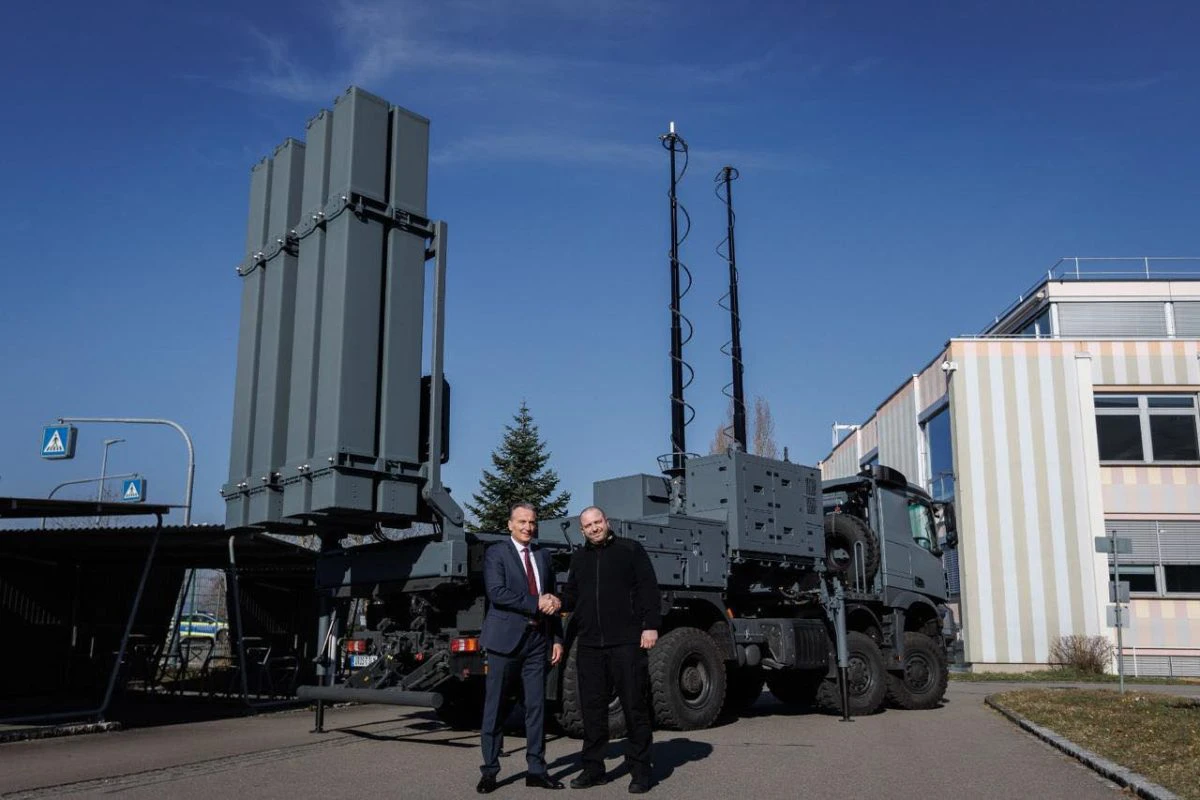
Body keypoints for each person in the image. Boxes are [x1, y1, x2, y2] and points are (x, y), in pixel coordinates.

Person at [560, 506, 660, 794]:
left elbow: (648, 589)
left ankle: (640, 771)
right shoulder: (579, 558)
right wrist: (557, 602)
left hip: (626, 643)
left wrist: (650, 626)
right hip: (590, 644)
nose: (594, 528)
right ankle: (593, 769)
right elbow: (572, 595)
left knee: (634, 706)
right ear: (582, 530)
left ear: (607, 521)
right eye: (588, 525)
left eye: (598, 522)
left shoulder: (630, 550)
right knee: (592, 710)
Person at [477, 502, 565, 793]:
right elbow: (497, 593)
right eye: (522, 522)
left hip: (538, 641)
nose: (528, 527)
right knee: (495, 706)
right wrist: (535, 603)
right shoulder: (496, 553)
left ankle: (536, 770)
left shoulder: (543, 555)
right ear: (510, 525)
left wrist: (557, 638)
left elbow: (551, 599)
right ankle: (490, 771)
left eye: (532, 522)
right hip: (505, 641)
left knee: (536, 707)